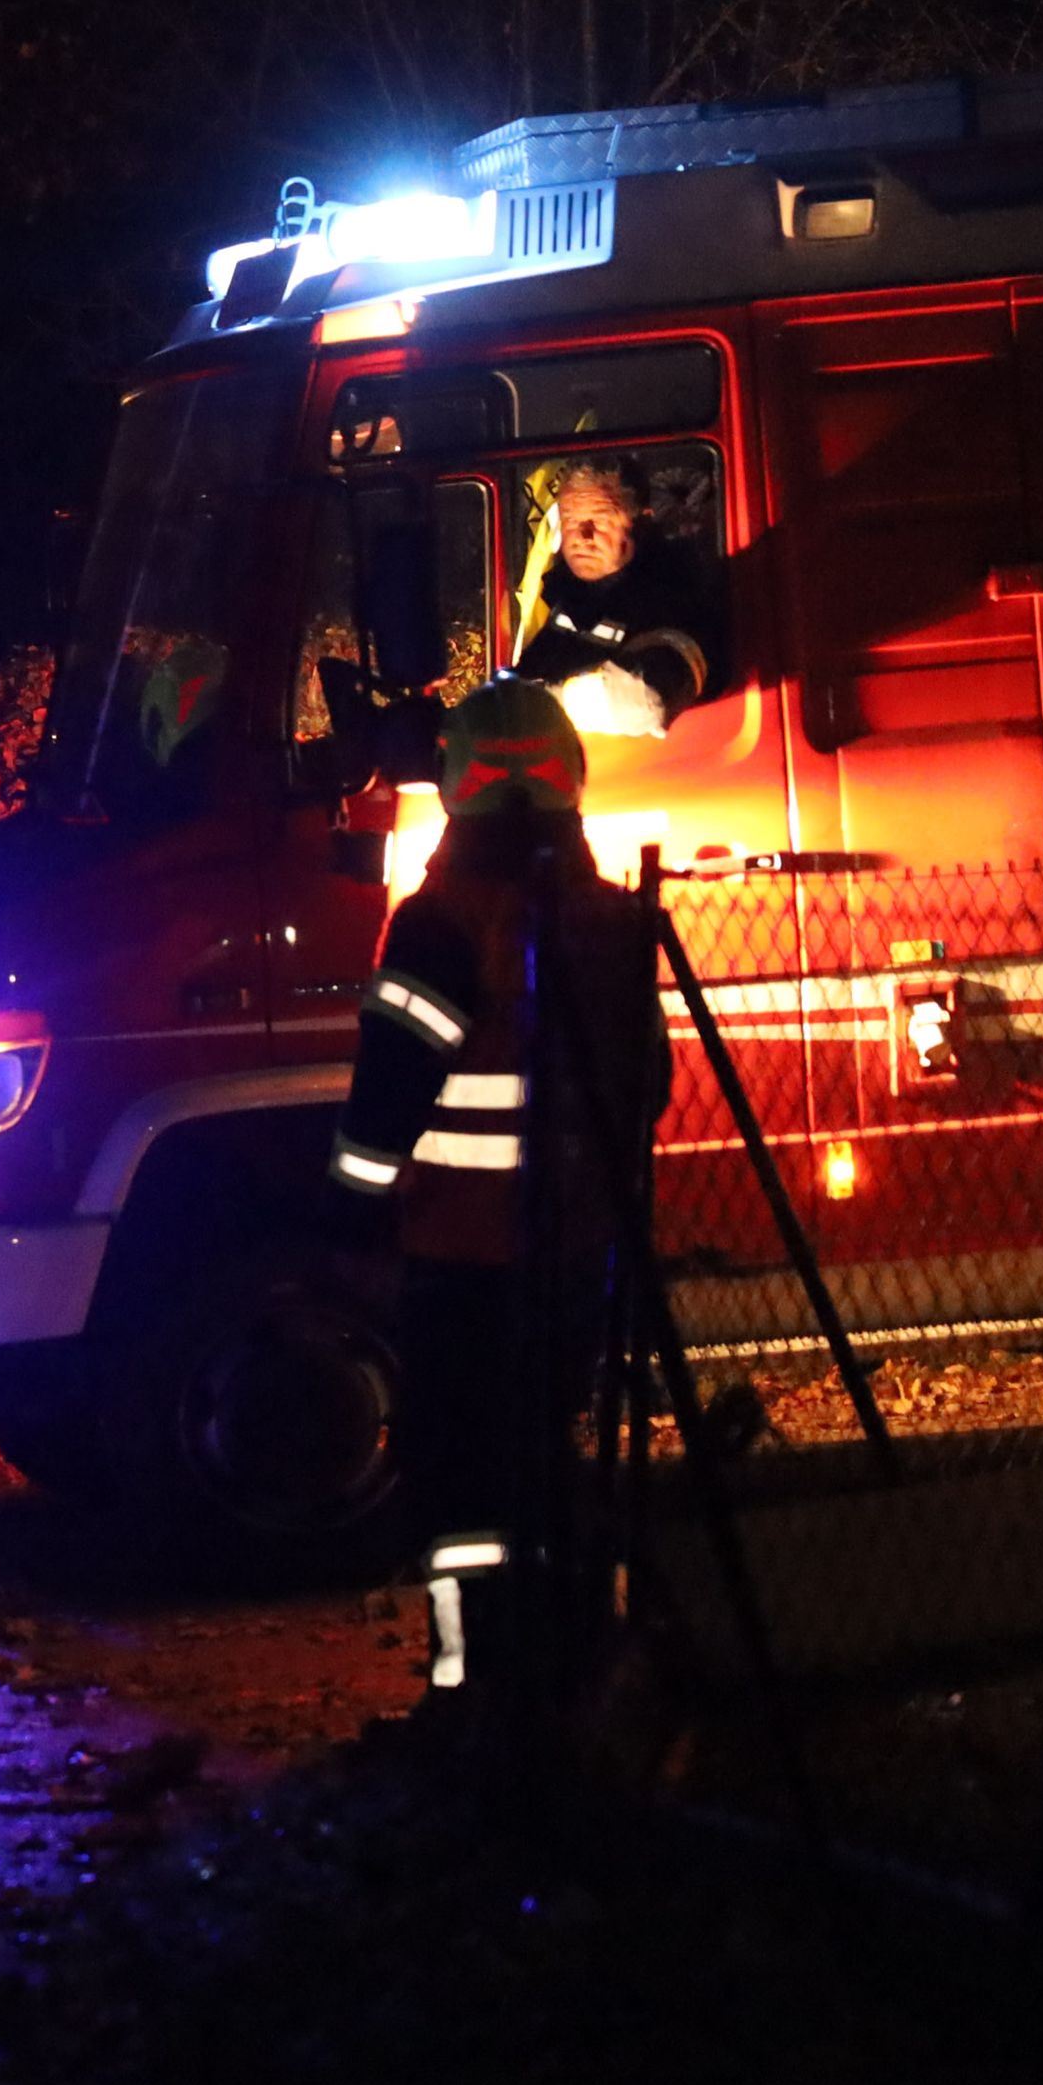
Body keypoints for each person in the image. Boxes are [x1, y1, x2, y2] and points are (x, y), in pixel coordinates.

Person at [326, 679, 669, 1695]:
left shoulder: (439, 923)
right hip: (577, 1255)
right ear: (571, 781)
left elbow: (386, 1097)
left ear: (452, 783)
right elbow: (646, 1085)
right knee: (549, 1466)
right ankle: (562, 1670)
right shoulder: (610, 920)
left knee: (458, 1486)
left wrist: (347, 1215)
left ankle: (469, 1689)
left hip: (460, 1259)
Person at [513, 461, 729, 739]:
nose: (582, 536)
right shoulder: (569, 594)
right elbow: (532, 671)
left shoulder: (672, 595)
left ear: (641, 523)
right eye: (570, 519)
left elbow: (643, 702)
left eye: (600, 520)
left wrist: (533, 709)